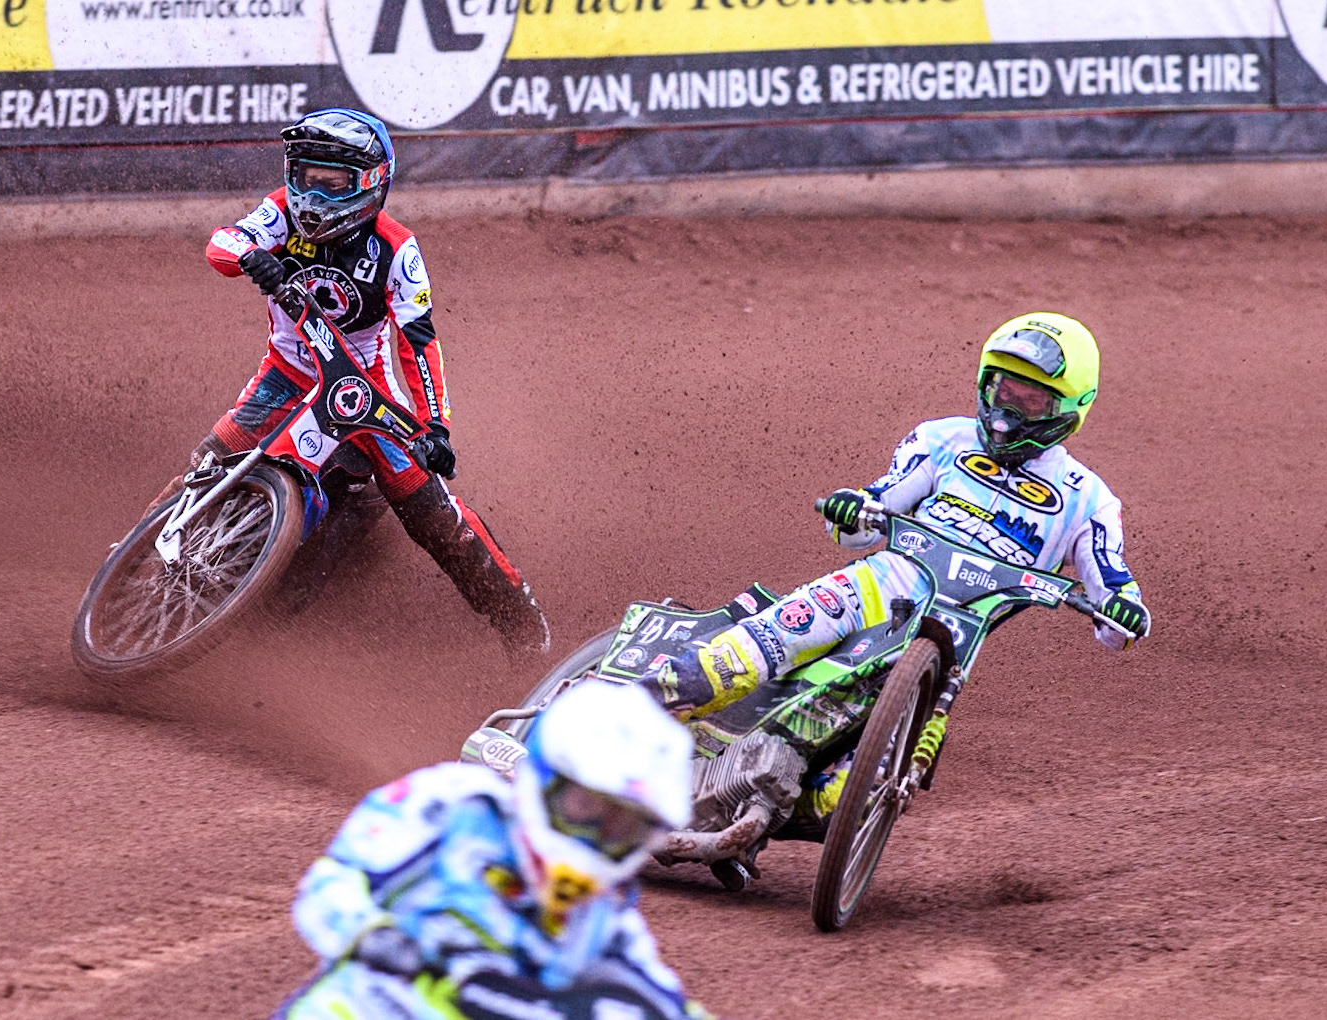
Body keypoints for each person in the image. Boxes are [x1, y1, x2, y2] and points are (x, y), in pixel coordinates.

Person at [646, 312, 1150, 815]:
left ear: (1069, 408)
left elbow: (1112, 599)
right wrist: (851, 507)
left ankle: (746, 811)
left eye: (1031, 399)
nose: (1008, 412)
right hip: (873, 588)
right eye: (1003, 391)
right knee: (738, 662)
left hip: (947, 647)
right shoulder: (942, 439)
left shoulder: (1089, 501)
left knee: (864, 790)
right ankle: (612, 719)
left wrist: (1125, 611)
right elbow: (866, 517)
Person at [177, 107, 548, 654]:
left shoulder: (398, 248)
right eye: (307, 177)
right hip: (286, 373)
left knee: (428, 509)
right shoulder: (279, 210)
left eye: (334, 184)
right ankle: (143, 551)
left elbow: (416, 340)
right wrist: (250, 255)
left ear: (371, 184)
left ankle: (520, 621)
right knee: (207, 461)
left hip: (364, 389)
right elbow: (223, 241)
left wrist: (435, 427)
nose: (316, 196)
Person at [272, 681, 715, 1020]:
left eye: (623, 827)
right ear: (544, 778)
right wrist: (371, 935)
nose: (596, 836)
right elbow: (334, 881)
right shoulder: (456, 805)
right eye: (585, 808)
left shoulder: (602, 914)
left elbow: (661, 995)